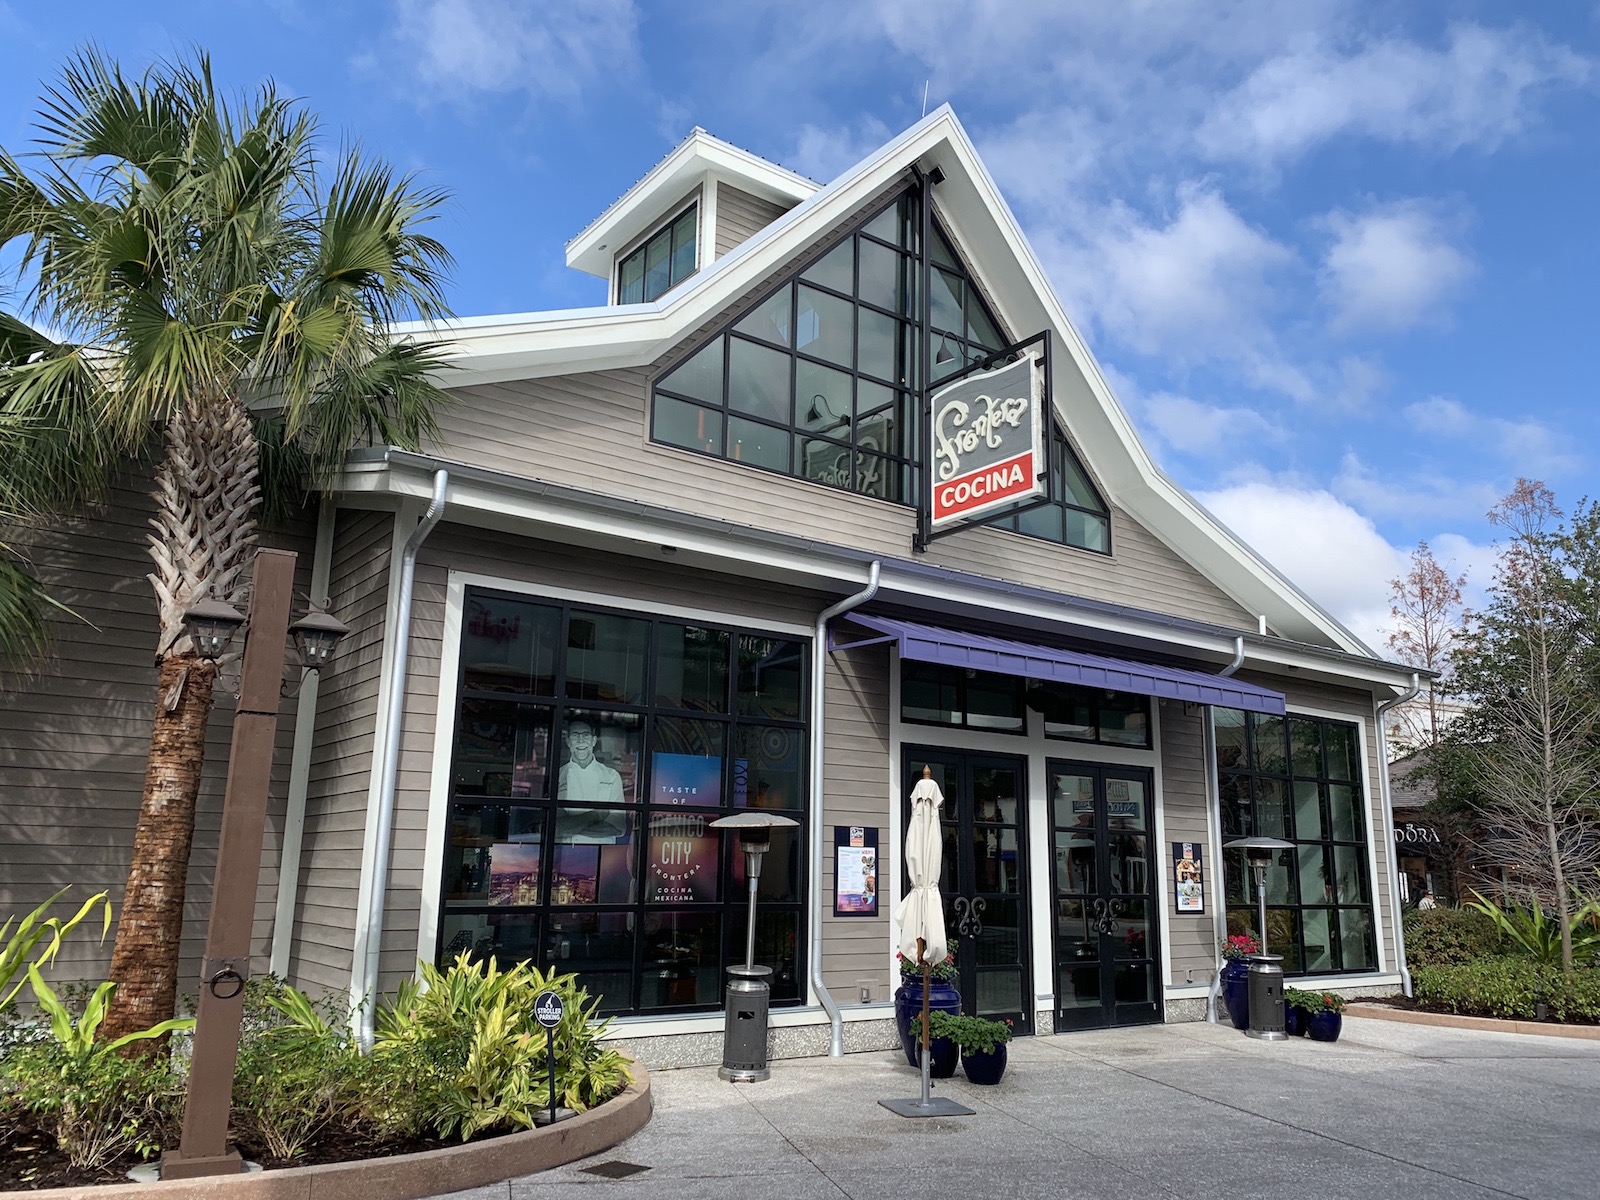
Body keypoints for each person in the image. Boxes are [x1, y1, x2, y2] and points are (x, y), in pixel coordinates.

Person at [558, 718, 624, 802]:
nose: (580, 740)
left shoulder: (612, 777)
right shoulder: (558, 777)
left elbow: (617, 811)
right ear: (568, 741)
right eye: (575, 735)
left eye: (586, 735)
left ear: (594, 741)